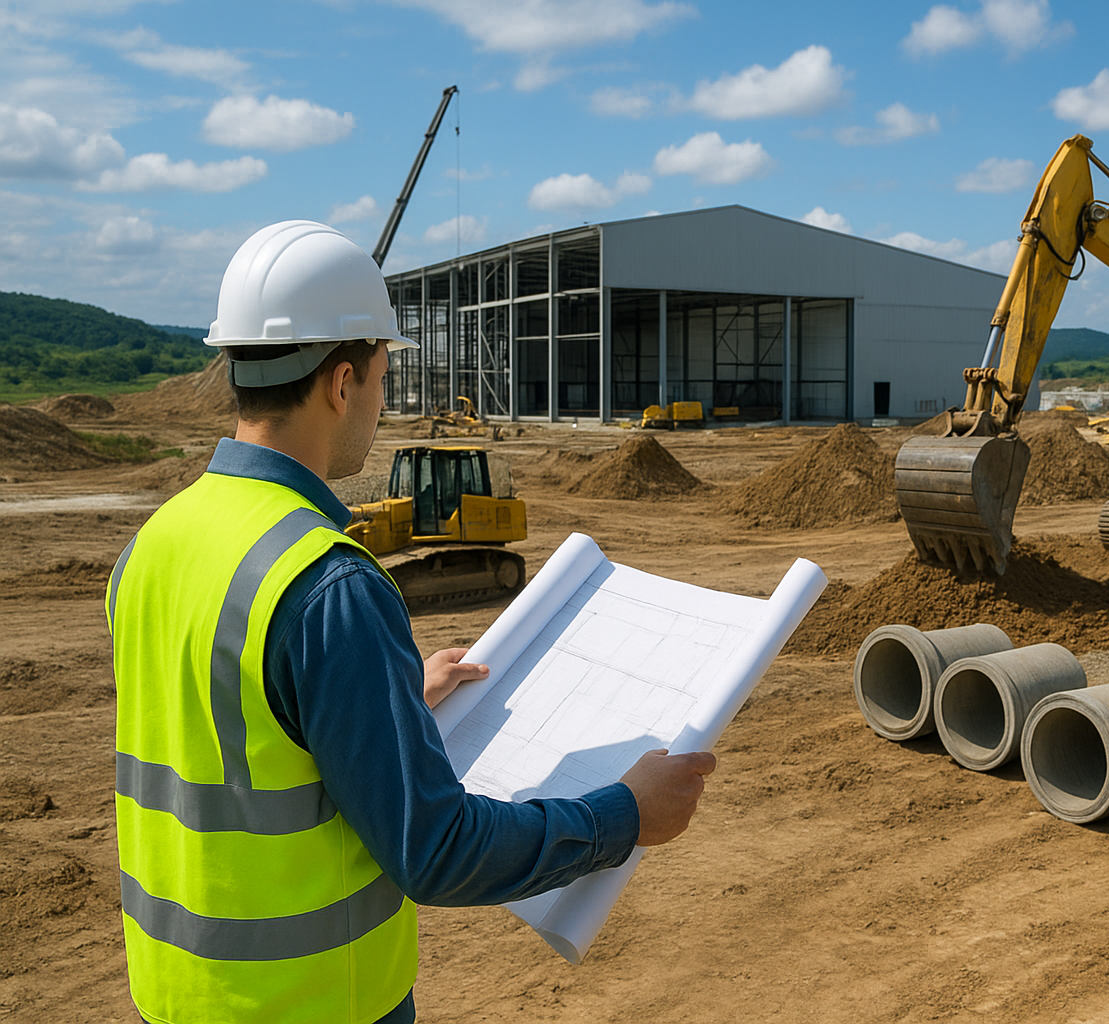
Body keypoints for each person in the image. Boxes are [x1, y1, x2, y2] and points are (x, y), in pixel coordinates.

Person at [106, 220, 716, 1024]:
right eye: (383, 376)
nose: (382, 401)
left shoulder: (152, 545)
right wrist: (624, 815)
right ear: (342, 382)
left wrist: (379, 703)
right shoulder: (328, 586)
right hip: (310, 1004)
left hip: (176, 994)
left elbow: (228, 727)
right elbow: (434, 849)